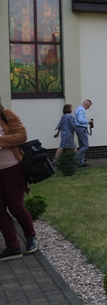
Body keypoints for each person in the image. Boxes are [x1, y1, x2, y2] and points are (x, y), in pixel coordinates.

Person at [0, 97, 37, 261]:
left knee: (16, 207)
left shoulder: (6, 115)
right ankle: (13, 247)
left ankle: (30, 236)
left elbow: (22, 136)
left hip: (12, 169)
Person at [74, 99, 92, 167]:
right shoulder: (81, 110)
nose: (88, 108)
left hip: (78, 128)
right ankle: (75, 159)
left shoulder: (78, 109)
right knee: (85, 146)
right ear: (86, 104)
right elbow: (80, 120)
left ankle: (81, 162)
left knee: (82, 146)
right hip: (81, 128)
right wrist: (88, 121)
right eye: (89, 106)